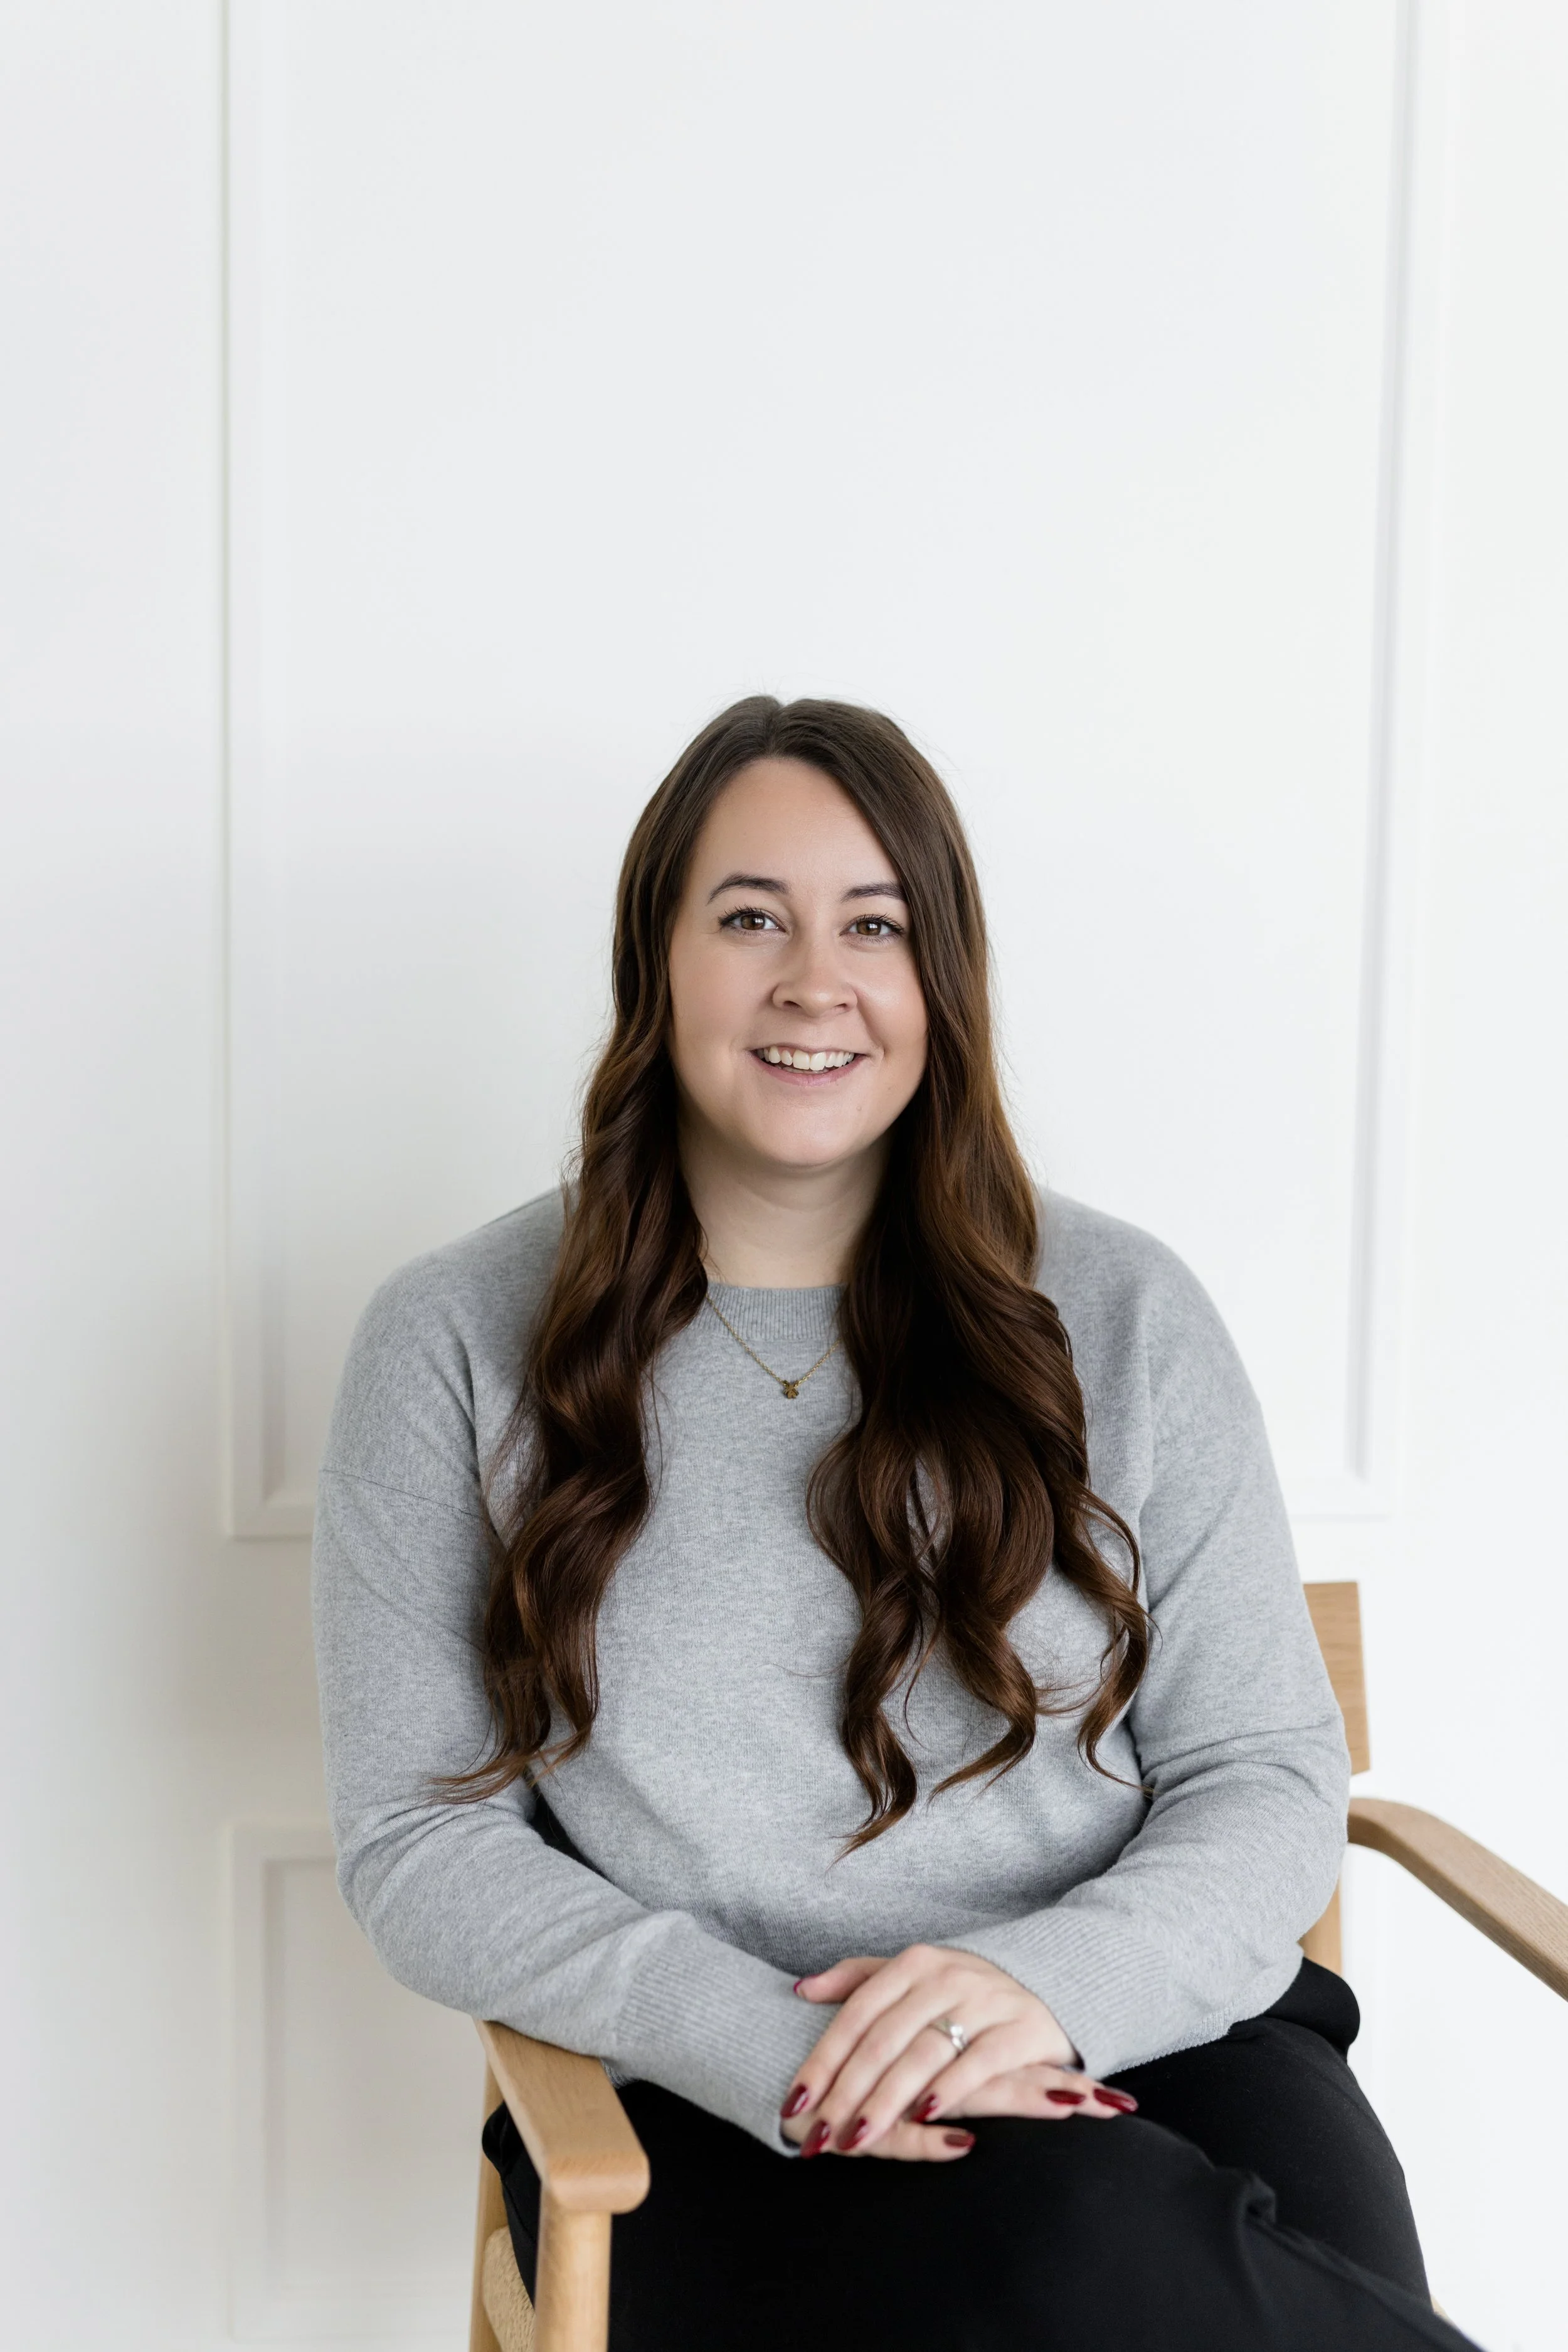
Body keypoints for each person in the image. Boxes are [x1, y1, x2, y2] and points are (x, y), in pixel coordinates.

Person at [313, 696, 1473, 2350]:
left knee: (1228, 2254)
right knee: (1093, 2240)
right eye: (748, 918)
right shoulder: (451, 1339)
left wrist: (1047, 1989)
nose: (814, 979)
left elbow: (1264, 1771)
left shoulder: (1123, 1309)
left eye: (875, 923)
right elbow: (421, 1845)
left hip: (1156, 2020)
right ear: (656, 962)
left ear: (942, 979)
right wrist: (773, 2041)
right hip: (719, 2101)